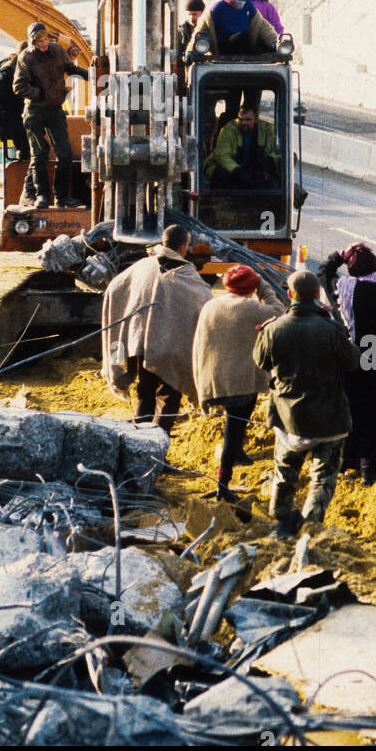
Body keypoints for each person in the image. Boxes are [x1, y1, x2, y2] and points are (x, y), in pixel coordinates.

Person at [254, 268, 359, 538]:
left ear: (290, 295)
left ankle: (281, 520)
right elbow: (352, 362)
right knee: (322, 478)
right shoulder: (330, 329)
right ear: (316, 295)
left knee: (284, 473)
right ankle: (310, 528)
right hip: (329, 419)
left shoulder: (273, 328)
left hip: (288, 419)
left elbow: (261, 361)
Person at [102, 223, 212, 440]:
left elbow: (115, 287)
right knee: (167, 397)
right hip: (169, 349)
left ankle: (136, 443)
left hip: (138, 343)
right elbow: (206, 303)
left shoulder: (143, 266)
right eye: (188, 245)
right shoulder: (186, 274)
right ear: (183, 247)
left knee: (145, 390)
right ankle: (157, 445)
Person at [318, 243, 376, 484]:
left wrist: (339, 254)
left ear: (350, 267)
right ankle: (371, 464)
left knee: (352, 413)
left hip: (352, 363)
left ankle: (349, 462)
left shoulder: (344, 291)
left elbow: (324, 273)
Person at [192, 264, 285, 501]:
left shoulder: (211, 305)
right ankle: (223, 484)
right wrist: (263, 285)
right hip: (239, 383)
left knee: (237, 419)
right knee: (234, 426)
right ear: (251, 287)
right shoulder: (253, 308)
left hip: (212, 380)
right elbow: (280, 311)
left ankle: (238, 452)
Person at [13, 22, 88, 209]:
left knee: (65, 154)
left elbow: (71, 69)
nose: (44, 43)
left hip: (55, 111)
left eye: (46, 39)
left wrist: (92, 74)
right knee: (39, 155)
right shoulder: (26, 57)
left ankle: (61, 197)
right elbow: (18, 86)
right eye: (40, 41)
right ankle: (42, 196)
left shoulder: (57, 51)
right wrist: (40, 94)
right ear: (33, 42)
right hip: (35, 112)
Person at [0, 41, 35, 203]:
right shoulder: (8, 72)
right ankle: (29, 191)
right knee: (36, 150)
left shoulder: (26, 69)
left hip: (22, 115)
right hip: (11, 120)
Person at [205, 105, 280, 189]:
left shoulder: (268, 130)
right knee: (222, 175)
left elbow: (280, 152)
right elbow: (221, 155)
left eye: (248, 119)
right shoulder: (228, 130)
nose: (243, 123)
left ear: (256, 119)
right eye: (241, 119)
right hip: (230, 170)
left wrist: (270, 159)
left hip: (256, 172)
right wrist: (237, 171)